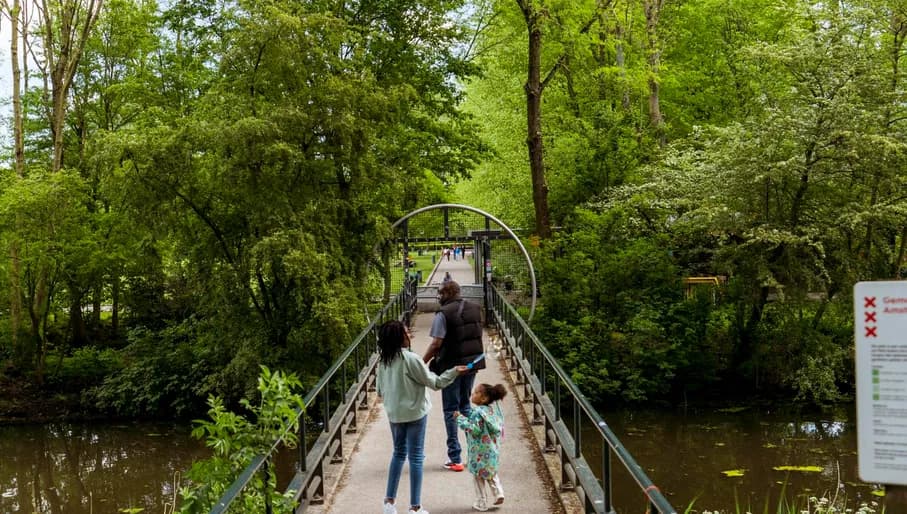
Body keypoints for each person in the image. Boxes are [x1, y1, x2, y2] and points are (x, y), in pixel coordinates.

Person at [377, 320, 468, 514]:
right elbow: (435, 383)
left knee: (398, 454)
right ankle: (415, 507)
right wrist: (454, 372)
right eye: (405, 333)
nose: (409, 335)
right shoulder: (411, 359)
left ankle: (389, 502)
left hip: (394, 414)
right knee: (416, 457)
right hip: (416, 413)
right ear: (399, 337)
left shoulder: (383, 361)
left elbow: (379, 391)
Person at [423, 280, 485, 472]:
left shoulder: (443, 314)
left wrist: (421, 362)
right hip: (471, 364)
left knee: (450, 409)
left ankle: (455, 458)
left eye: (440, 293)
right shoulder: (475, 308)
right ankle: (476, 452)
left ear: (447, 293)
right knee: (465, 405)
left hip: (452, 367)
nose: (438, 296)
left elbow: (436, 344)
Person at [455, 383, 507, 511]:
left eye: (475, 393)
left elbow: (474, 429)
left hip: (478, 451)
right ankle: (498, 492)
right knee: (490, 472)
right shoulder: (491, 411)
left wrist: (460, 419)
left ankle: (481, 502)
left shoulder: (477, 413)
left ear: (483, 398)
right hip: (492, 449)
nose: (472, 394)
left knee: (478, 476)